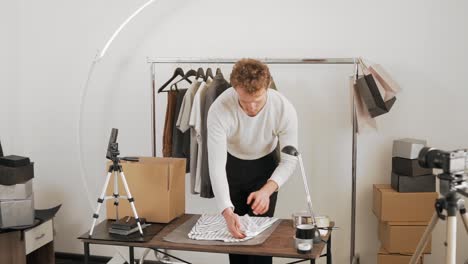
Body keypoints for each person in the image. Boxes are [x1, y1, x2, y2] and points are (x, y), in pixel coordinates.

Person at [207, 58, 298, 264]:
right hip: (232, 166)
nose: (251, 108)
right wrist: (226, 210)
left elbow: (289, 160)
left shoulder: (283, 108)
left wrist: (267, 191)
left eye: (257, 100)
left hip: (266, 168)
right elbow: (216, 165)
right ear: (235, 89)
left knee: (261, 242)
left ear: (267, 88)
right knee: (235, 238)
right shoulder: (219, 108)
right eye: (244, 101)